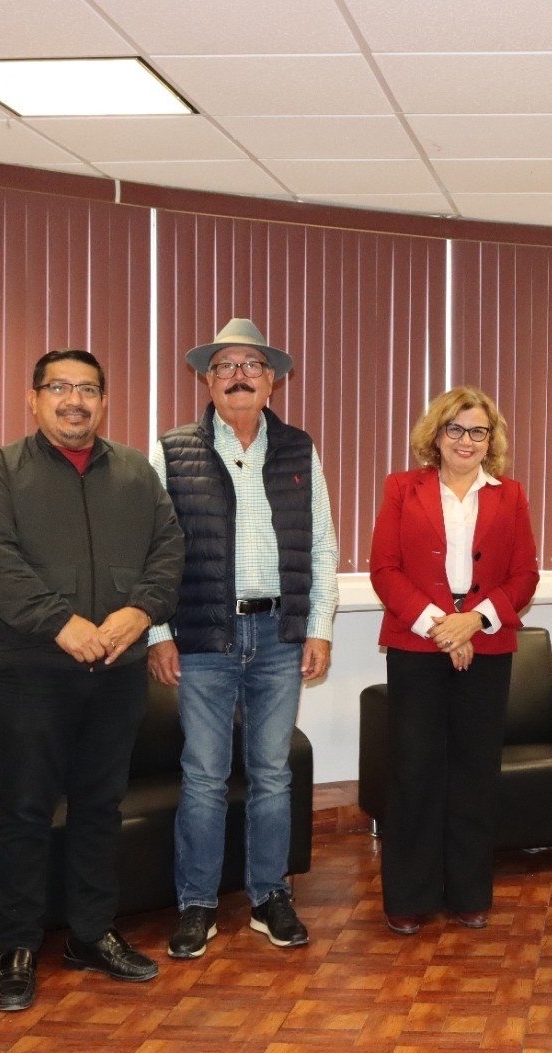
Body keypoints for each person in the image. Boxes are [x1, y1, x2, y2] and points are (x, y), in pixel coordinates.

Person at [0, 349, 184, 1013]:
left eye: (87, 389)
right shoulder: (2, 472)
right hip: (31, 671)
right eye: (59, 387)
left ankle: (91, 933)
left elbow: (169, 551)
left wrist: (139, 612)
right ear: (33, 398)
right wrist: (60, 623)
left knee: (99, 808)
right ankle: (18, 946)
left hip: (117, 671)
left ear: (104, 402)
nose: (74, 400)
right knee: (26, 810)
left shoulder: (136, 473)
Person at [151, 318, 337, 960]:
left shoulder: (298, 449)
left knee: (272, 774)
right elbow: (152, 550)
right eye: (226, 366)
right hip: (204, 634)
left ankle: (269, 896)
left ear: (272, 381)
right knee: (203, 775)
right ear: (207, 381)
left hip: (279, 636)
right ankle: (196, 903)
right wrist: (158, 632)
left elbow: (321, 543)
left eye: (252, 365)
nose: (239, 376)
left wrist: (318, 627)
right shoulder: (171, 451)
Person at [368, 386, 539, 935]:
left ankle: (468, 892)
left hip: (486, 647)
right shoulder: (402, 489)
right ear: (437, 435)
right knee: (414, 769)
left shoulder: (510, 495)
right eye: (456, 429)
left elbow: (524, 575)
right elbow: (384, 569)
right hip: (417, 645)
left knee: (475, 772)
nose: (467, 441)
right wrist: (442, 626)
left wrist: (475, 621)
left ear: (491, 440)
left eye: (478, 432)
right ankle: (409, 896)